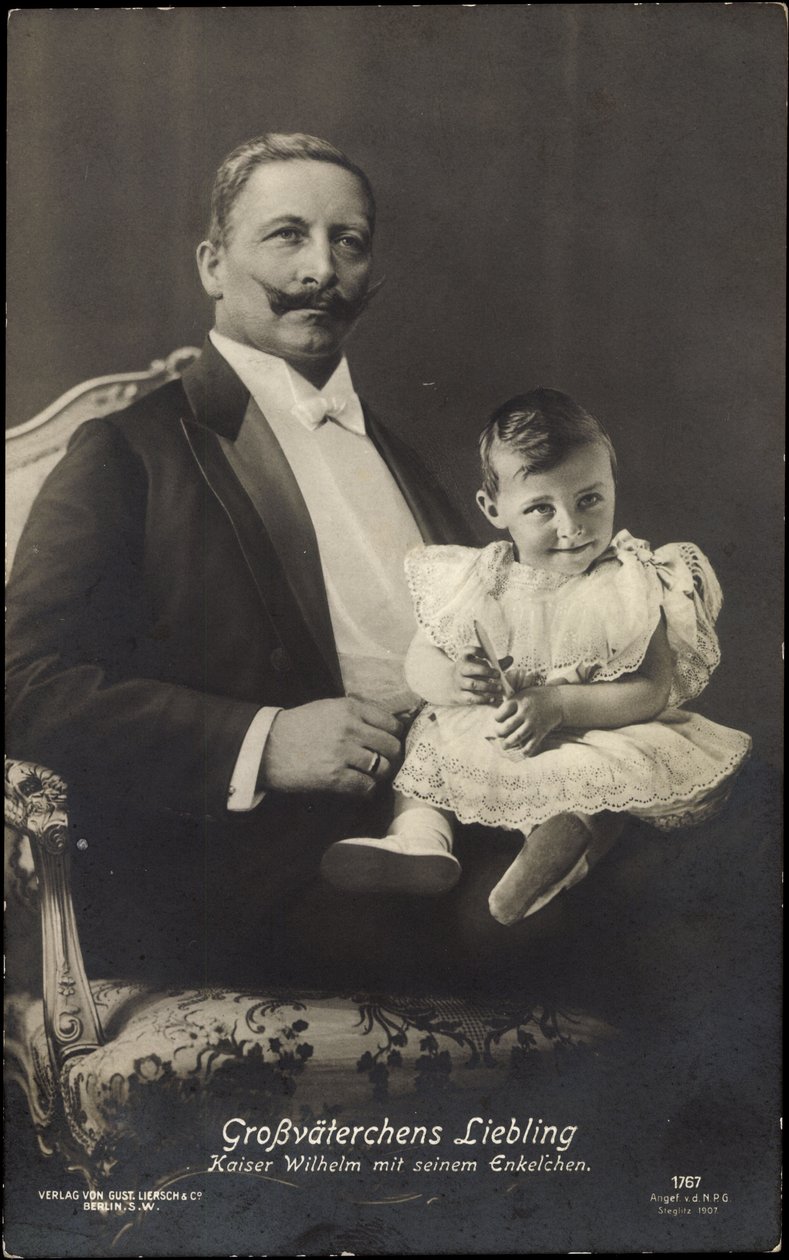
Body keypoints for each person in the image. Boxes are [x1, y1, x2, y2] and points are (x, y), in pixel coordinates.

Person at [5, 132, 473, 988]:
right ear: (212, 265)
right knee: (642, 920)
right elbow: (25, 684)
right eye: (287, 234)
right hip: (255, 869)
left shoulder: (406, 460)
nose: (320, 269)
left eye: (349, 241)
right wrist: (265, 741)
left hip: (452, 818)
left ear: (373, 276)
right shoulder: (126, 452)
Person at [321, 388, 752, 923]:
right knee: (431, 736)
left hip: (593, 728)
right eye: (541, 508)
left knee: (605, 786)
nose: (571, 526)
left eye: (589, 499)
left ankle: (557, 856)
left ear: (613, 487)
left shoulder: (632, 582)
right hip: (493, 728)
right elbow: (421, 659)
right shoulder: (479, 576)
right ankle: (418, 840)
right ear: (493, 509)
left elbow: (650, 689)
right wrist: (454, 679)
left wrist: (560, 705)